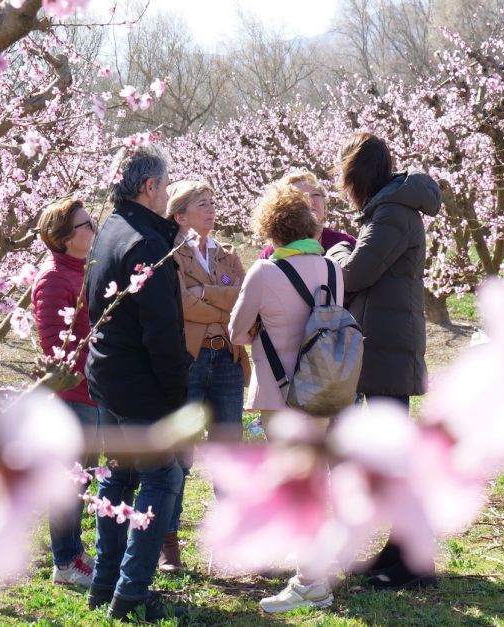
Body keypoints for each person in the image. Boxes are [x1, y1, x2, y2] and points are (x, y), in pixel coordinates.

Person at [325, 132, 442, 590]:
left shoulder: (391, 213)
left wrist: (336, 251)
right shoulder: (390, 210)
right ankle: (399, 552)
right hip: (386, 344)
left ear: (358, 175)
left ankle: (414, 561)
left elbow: (356, 272)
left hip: (387, 347)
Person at [84, 145, 191, 621]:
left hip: (108, 376)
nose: (167, 194)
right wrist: (177, 394)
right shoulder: (147, 243)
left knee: (119, 477)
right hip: (141, 384)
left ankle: (105, 585)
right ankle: (130, 593)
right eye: (166, 186)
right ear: (150, 187)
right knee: (160, 478)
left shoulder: (111, 228)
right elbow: (162, 333)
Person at [229, 179, 344, 613]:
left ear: (271, 229)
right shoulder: (332, 268)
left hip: (281, 395)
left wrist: (262, 328)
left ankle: (310, 583)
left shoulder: (265, 271)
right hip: (323, 389)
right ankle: (316, 569)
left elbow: (237, 333)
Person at [158, 180, 249, 573]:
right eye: (201, 203)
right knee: (181, 453)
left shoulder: (228, 255)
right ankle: (167, 541)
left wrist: (205, 295)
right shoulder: (171, 255)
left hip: (227, 359)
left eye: (213, 202)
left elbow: (245, 303)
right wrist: (221, 302)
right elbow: (181, 304)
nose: (211, 209)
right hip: (191, 361)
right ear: (179, 214)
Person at [31, 198, 99, 588]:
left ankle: (74, 550)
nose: (93, 229)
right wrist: (98, 364)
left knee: (82, 478)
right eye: (85, 225)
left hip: (92, 393)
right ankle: (64, 563)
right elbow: (54, 346)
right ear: (64, 238)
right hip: (73, 397)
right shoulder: (55, 278)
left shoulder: (83, 270)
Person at [259, 170, 356, 259]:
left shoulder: (344, 243)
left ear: (324, 203)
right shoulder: (272, 254)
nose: (310, 201)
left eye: (315, 194)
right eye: (300, 196)